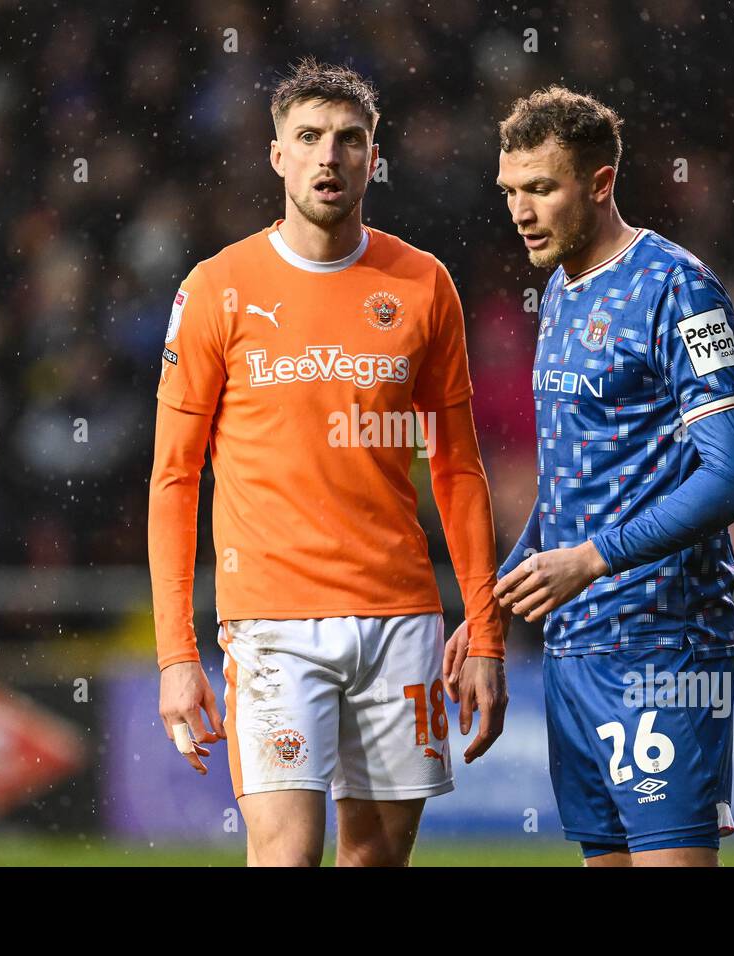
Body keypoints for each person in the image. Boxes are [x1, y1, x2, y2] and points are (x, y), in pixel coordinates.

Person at [148, 58, 507, 867]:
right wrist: (177, 655)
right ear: (277, 156)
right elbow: (173, 478)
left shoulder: (424, 286)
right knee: (286, 858)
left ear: (373, 157)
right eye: (308, 137)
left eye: (349, 139)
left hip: (401, 619)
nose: (329, 157)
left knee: (375, 862)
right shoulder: (217, 289)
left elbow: (457, 470)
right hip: (271, 621)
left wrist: (483, 631)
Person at [470, 86, 734, 867]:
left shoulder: (678, 288)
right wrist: (492, 603)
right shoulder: (561, 293)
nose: (521, 211)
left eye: (541, 188)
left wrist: (594, 559)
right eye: (511, 191)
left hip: (661, 644)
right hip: (574, 648)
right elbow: (573, 482)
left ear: (600, 183)